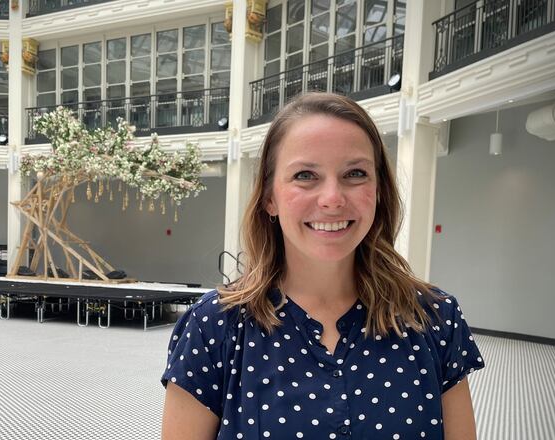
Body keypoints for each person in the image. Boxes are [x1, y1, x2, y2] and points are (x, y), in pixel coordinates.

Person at [160, 93, 484, 440]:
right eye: (305, 175)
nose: (332, 198)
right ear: (270, 197)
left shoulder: (434, 320)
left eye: (355, 174)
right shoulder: (215, 327)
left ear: (378, 191)